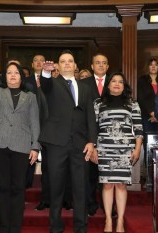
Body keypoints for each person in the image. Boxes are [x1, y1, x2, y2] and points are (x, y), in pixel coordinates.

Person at [0, 62, 40, 233]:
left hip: (21, 144)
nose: (13, 75)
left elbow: (35, 122)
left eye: (16, 73)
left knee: (18, 187)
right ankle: (4, 228)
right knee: (3, 186)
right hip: (0, 143)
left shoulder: (30, 97)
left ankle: (15, 228)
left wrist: (35, 146)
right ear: (4, 77)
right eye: (9, 73)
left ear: (21, 76)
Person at [40, 50, 97, 233]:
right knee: (56, 187)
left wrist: (91, 141)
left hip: (80, 145)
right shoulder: (52, 84)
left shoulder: (86, 88)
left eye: (70, 61)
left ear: (75, 66)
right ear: (57, 65)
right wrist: (46, 72)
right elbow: (45, 84)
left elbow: (90, 116)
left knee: (80, 188)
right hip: (57, 143)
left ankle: (81, 227)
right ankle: (55, 227)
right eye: (62, 61)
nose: (66, 64)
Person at [93, 71, 143, 233]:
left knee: (121, 185)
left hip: (124, 150)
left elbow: (138, 128)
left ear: (124, 86)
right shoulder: (98, 103)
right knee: (107, 185)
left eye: (120, 82)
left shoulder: (132, 104)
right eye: (113, 81)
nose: (116, 84)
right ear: (108, 85)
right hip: (104, 149)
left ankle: (120, 220)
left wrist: (137, 148)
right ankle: (108, 219)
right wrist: (93, 148)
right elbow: (93, 128)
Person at [81, 52, 110, 216]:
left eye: (103, 62)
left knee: (108, 173)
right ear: (92, 66)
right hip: (88, 134)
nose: (100, 65)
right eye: (97, 62)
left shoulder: (115, 83)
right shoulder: (82, 83)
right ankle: (91, 204)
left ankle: (109, 207)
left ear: (107, 66)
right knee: (90, 174)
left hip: (109, 135)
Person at [137, 57, 158, 185]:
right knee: (148, 145)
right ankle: (149, 178)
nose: (153, 67)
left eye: (156, 65)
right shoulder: (142, 81)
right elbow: (141, 99)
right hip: (147, 116)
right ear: (147, 67)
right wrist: (152, 113)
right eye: (151, 64)